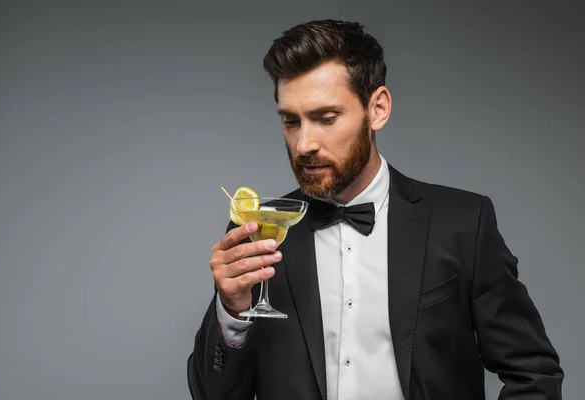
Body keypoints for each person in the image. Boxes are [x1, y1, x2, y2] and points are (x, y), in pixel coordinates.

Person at [187, 19, 563, 400]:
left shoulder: (464, 223)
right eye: (290, 121)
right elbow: (212, 395)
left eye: (326, 118)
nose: (303, 144)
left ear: (378, 109)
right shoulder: (261, 230)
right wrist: (232, 311)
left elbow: (534, 374)